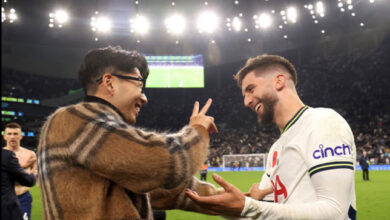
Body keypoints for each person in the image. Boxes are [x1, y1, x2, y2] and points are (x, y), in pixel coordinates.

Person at [37, 46, 223, 219]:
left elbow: (161, 191)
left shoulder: (95, 133)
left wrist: (235, 199)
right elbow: (168, 161)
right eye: (139, 86)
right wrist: (197, 130)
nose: (144, 97)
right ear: (109, 82)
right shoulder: (72, 120)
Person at [185, 54, 357, 219]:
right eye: (244, 95)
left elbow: (335, 212)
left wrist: (247, 206)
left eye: (250, 89)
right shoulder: (276, 148)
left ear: (279, 81)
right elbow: (263, 214)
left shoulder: (322, 122)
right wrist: (194, 199)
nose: (246, 102)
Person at [3, 122, 37, 220]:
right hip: (5, 198)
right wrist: (24, 166)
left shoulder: (30, 154)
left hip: (23, 197)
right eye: (9, 134)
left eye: (15, 134)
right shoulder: (2, 154)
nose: (12, 137)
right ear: (4, 137)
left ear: (21, 136)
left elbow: (34, 173)